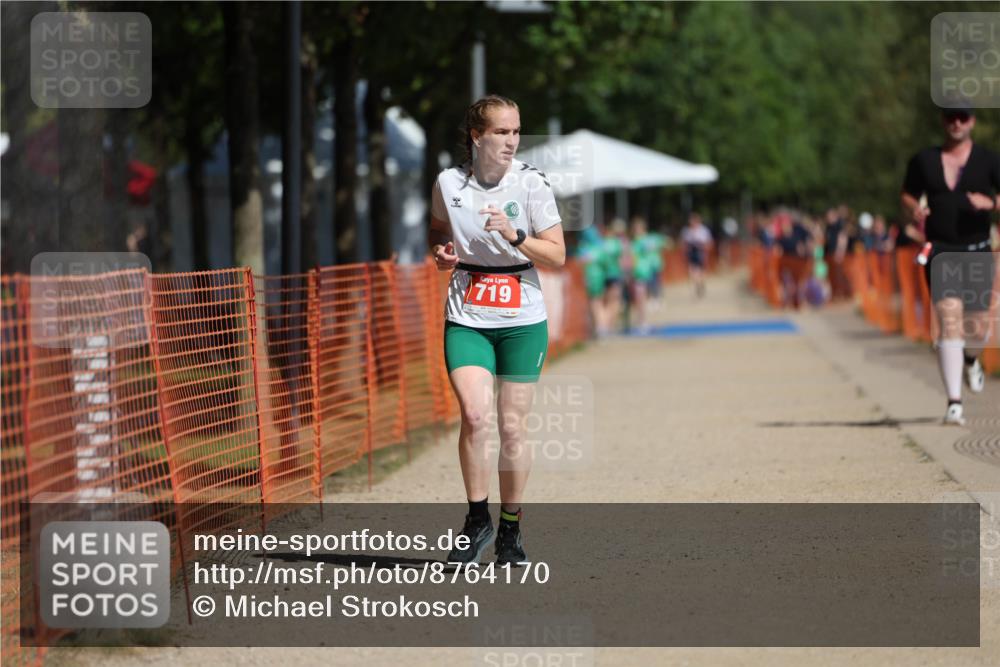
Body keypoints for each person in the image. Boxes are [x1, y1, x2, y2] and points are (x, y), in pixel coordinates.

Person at [429, 94, 566, 563]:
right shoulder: (449, 182)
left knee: (511, 424)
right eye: (502, 132)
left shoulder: (531, 184)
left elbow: (557, 255)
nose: (512, 141)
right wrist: (442, 250)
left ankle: (510, 527)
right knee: (474, 415)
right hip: (467, 313)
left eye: (516, 131)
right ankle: (476, 519)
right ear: (477, 136)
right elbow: (438, 228)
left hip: (522, 318)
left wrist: (516, 236)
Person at [901, 102, 1000, 425]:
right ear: (943, 120)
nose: (956, 122)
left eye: (963, 117)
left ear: (972, 121)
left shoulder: (989, 160)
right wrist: (914, 208)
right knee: (948, 318)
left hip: (978, 249)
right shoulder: (924, 160)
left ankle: (971, 359)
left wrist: (991, 203)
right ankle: (954, 403)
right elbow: (907, 194)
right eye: (950, 116)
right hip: (941, 251)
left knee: (978, 326)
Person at [681, 212, 713, 298]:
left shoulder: (704, 230)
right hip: (691, 252)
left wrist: (704, 249)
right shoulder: (687, 231)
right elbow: (684, 243)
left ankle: (700, 283)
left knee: (701, 271)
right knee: (692, 271)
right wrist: (684, 253)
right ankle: (697, 285)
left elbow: (709, 243)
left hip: (700, 252)